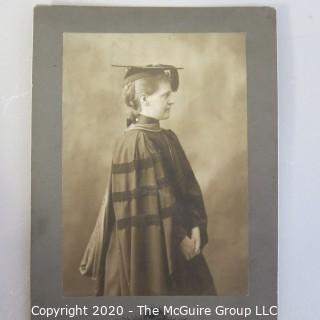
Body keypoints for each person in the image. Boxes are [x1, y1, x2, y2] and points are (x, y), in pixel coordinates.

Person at [79, 64, 216, 296]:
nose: (172, 100)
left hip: (181, 239)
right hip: (153, 248)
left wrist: (195, 225)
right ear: (144, 99)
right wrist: (179, 238)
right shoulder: (134, 143)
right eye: (165, 95)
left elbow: (188, 186)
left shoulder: (167, 138)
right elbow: (147, 206)